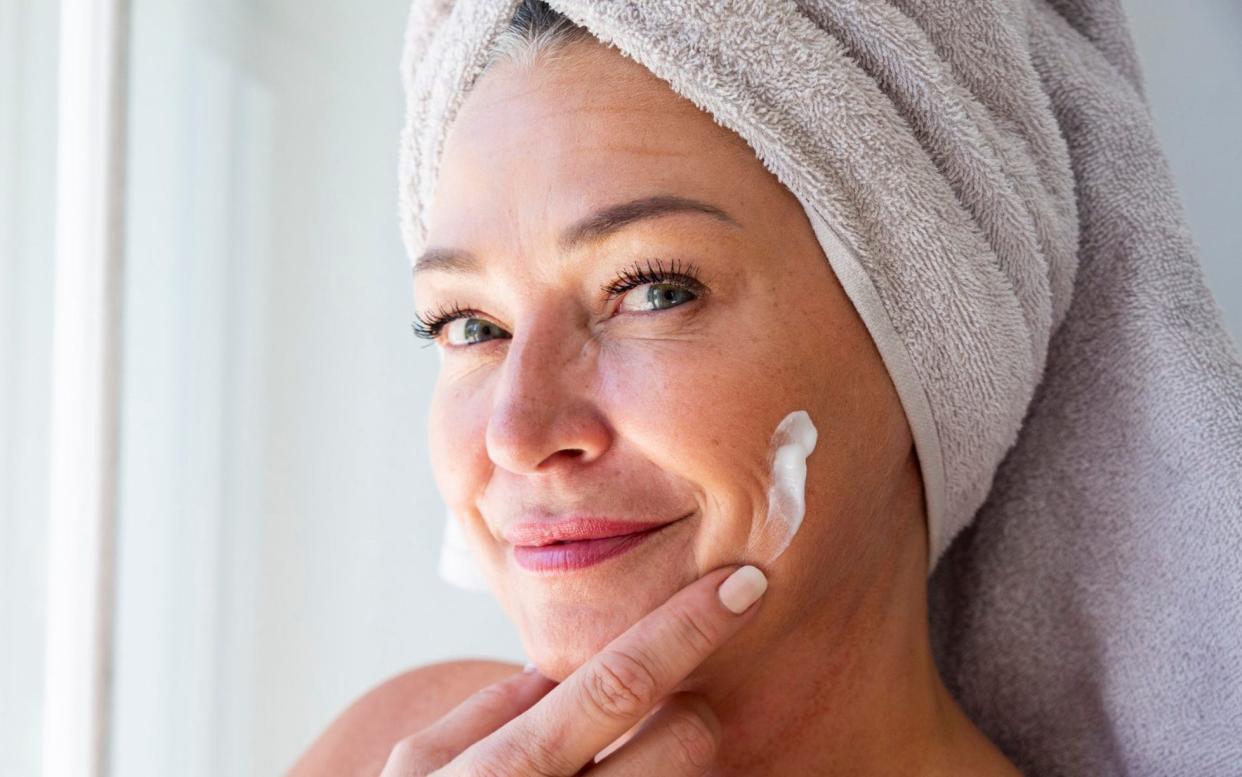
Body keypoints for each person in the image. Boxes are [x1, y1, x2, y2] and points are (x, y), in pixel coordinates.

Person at [291, 4, 1021, 774]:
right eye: (469, 324)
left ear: (935, 334)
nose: (517, 432)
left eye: (653, 290)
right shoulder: (391, 746)